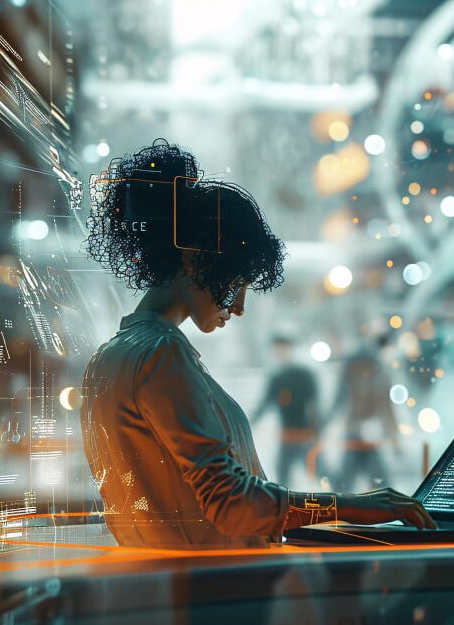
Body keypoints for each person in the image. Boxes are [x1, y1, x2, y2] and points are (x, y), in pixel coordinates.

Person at [80, 140, 434, 549]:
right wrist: (350, 506)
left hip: (172, 574)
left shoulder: (109, 359)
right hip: (217, 580)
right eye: (237, 283)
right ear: (195, 260)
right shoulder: (161, 355)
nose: (240, 306)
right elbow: (231, 503)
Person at [332, 335, 401, 491]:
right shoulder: (374, 373)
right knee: (358, 480)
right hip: (360, 431)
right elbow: (387, 409)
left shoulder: (375, 374)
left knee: (362, 479)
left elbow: (386, 409)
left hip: (366, 432)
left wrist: (394, 438)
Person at [251, 334, 320, 487]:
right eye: (277, 350)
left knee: (320, 474)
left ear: (290, 350)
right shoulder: (277, 379)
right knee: (283, 478)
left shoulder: (304, 375)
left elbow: (314, 404)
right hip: (287, 436)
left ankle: (333, 497)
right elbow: (266, 403)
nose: (280, 353)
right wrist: (250, 421)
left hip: (306, 436)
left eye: (283, 349)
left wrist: (317, 429)